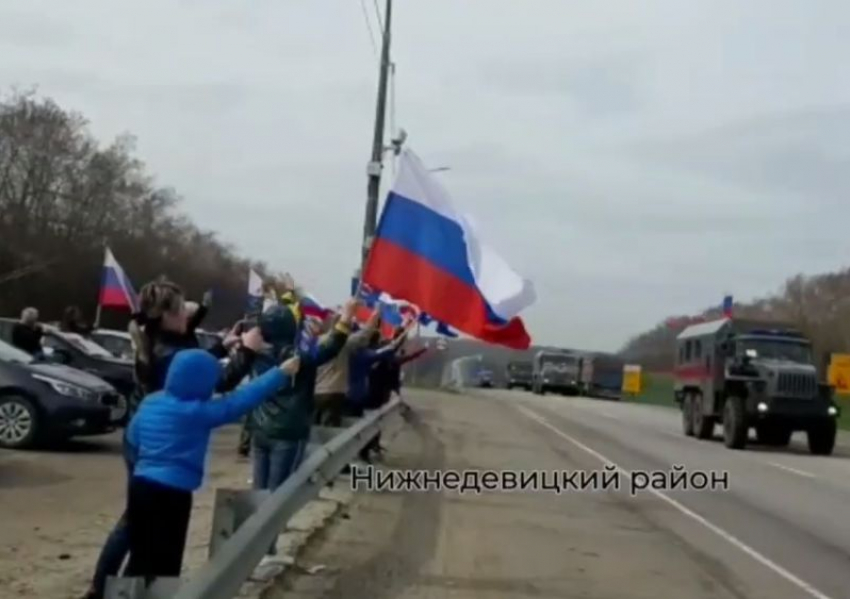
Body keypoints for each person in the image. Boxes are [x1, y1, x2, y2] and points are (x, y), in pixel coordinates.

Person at [80, 280, 263, 599]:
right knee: (141, 529)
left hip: (142, 437)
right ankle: (111, 588)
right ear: (166, 315)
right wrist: (246, 350)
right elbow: (216, 382)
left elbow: (192, 362)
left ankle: (110, 586)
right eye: (181, 309)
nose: (187, 313)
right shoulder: (170, 352)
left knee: (137, 521)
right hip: (156, 446)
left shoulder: (157, 338)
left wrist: (221, 347)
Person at [123, 349, 301, 581]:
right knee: (166, 559)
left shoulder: (151, 401)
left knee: (140, 553)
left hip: (140, 486)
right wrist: (280, 373)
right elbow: (241, 399)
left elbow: (132, 439)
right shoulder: (197, 412)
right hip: (173, 492)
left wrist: (141, 467)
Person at [249, 298, 357, 558]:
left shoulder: (254, 353)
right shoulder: (298, 358)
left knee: (259, 492)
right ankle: (267, 548)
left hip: (260, 430)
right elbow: (330, 348)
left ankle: (251, 548)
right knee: (278, 494)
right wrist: (346, 318)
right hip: (289, 433)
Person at [346, 324, 410, 463]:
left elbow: (391, 352)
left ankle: (365, 450)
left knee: (360, 426)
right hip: (369, 395)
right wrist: (401, 337)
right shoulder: (370, 355)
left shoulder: (353, 352)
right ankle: (364, 451)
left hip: (360, 394)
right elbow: (390, 352)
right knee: (369, 425)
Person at [313, 310, 380, 427]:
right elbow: (364, 335)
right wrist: (375, 316)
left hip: (315, 391)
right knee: (329, 432)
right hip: (334, 392)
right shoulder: (346, 343)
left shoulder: (316, 341)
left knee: (313, 429)